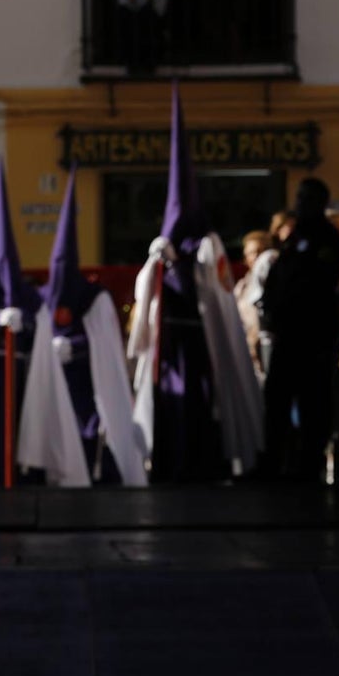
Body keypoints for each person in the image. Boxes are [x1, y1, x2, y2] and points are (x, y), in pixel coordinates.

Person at [128, 83, 264, 482]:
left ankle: (204, 463)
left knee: (201, 401)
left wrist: (187, 264)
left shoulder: (209, 244)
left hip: (201, 343)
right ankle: (168, 462)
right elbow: (146, 296)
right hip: (169, 345)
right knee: (168, 403)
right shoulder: (162, 252)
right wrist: (155, 264)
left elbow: (215, 288)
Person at [0, 159, 88, 488]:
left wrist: (31, 327)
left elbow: (42, 326)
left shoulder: (32, 297)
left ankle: (25, 475)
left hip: (25, 371)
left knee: (26, 426)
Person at [36, 166, 147, 487]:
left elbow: (106, 345)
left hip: (85, 379)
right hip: (54, 379)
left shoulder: (93, 298)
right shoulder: (42, 296)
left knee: (87, 426)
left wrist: (77, 348)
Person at [260, 178, 339, 483]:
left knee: (313, 403)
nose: (300, 203)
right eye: (299, 197)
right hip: (287, 333)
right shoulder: (295, 236)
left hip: (312, 334)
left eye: (307, 198)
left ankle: (308, 467)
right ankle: (274, 461)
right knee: (277, 400)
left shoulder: (327, 238)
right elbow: (279, 275)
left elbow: (317, 282)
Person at [232, 229, 276, 382]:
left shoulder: (274, 284)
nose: (256, 256)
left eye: (260, 251)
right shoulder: (241, 287)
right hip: (247, 357)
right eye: (251, 252)